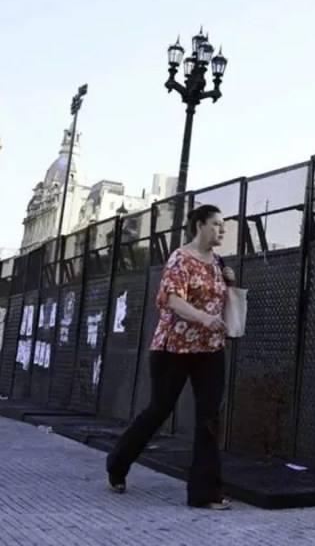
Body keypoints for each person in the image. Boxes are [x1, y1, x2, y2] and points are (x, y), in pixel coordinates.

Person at [106, 204, 235, 510]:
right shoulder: (180, 258)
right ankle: (117, 463)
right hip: (173, 348)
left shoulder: (217, 262)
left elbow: (214, 298)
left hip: (210, 349)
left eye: (223, 224)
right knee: (159, 409)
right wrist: (203, 318)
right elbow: (172, 300)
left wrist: (227, 280)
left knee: (209, 418)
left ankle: (205, 493)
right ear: (200, 225)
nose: (222, 229)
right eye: (217, 224)